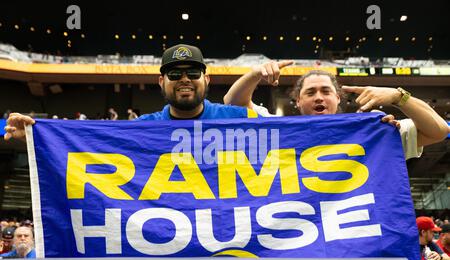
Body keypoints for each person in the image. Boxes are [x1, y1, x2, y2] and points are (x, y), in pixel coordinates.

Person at [3, 44, 258, 141]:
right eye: (174, 74)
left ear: (207, 79)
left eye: (192, 73)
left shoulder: (238, 118)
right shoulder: (141, 128)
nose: (184, 80)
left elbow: (287, 138)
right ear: (161, 81)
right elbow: (86, 144)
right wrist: (36, 137)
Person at [223, 61, 449, 160]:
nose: (319, 97)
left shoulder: (370, 130)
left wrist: (399, 97)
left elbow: (438, 131)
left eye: (325, 91)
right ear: (298, 103)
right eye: (310, 93)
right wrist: (255, 75)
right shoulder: (278, 129)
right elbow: (233, 103)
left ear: (337, 98)